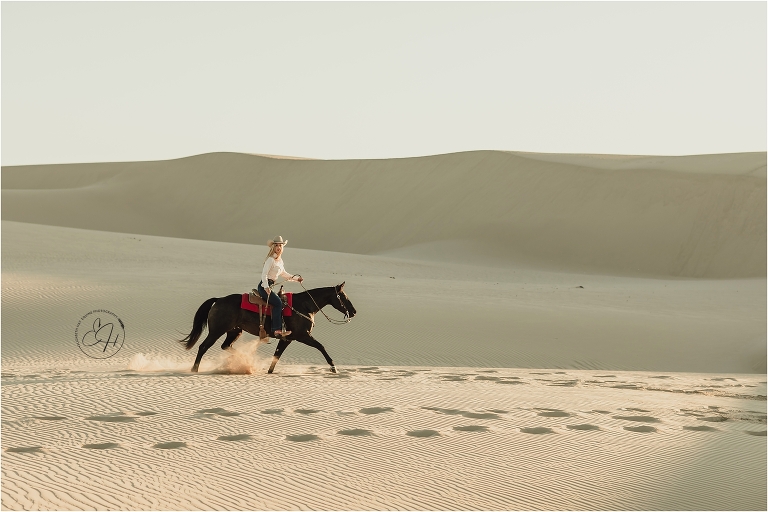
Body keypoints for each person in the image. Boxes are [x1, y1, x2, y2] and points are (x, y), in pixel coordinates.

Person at [257, 236, 303, 337]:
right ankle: (276, 330)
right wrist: (266, 287)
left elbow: (285, 274)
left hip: (270, 285)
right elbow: (264, 274)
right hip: (264, 286)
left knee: (280, 302)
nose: (278, 247)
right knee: (278, 303)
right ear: (273, 247)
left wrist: (296, 279)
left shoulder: (280, 262)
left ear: (282, 247)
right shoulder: (271, 260)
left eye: (280, 245)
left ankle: (281, 326)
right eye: (276, 245)